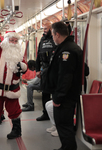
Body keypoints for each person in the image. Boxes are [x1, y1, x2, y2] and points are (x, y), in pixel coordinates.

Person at [45, 21, 82, 150]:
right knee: (63, 125)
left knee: (64, 125)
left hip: (65, 97)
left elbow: (65, 77)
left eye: (53, 35)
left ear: (57, 34)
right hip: (66, 94)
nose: (52, 38)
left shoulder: (67, 51)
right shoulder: (67, 47)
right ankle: (65, 147)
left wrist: (58, 97)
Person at [35, 22, 56, 121]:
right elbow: (38, 55)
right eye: (43, 29)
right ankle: (46, 113)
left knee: (55, 93)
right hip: (44, 69)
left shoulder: (55, 39)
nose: (44, 31)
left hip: (54, 69)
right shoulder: (42, 40)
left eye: (46, 29)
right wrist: (37, 69)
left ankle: (55, 114)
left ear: (51, 29)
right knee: (45, 92)